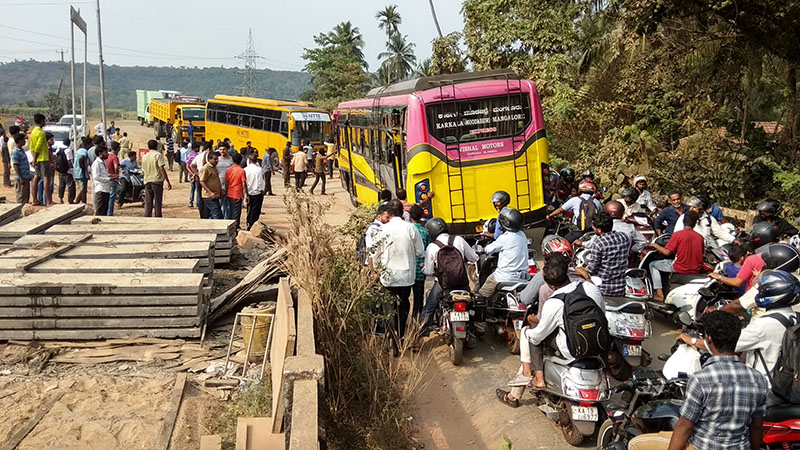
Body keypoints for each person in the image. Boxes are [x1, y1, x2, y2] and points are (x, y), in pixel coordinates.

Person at [627, 310, 767, 450]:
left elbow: (684, 427)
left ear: (709, 338)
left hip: (702, 446)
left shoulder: (701, 379)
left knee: (635, 444)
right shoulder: (758, 379)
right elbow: (756, 427)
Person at [500, 255, 605, 399]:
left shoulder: (554, 302)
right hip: (599, 341)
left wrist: (530, 322)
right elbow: (602, 314)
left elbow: (538, 335)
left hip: (571, 348)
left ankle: (537, 377)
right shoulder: (590, 288)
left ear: (551, 285)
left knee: (530, 334)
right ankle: (516, 393)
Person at [679, 270, 799, 385]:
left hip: (763, 388)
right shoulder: (794, 317)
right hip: (786, 384)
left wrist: (692, 340)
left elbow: (724, 347)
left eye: (761, 290)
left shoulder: (764, 325)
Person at [416, 217, 478, 346]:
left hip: (443, 285)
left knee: (429, 307)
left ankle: (419, 338)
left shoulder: (432, 247)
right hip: (462, 283)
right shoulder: (459, 240)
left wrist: (426, 269)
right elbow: (474, 257)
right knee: (472, 304)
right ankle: (475, 330)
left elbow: (428, 271)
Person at [373, 199, 425, 338]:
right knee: (403, 306)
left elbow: (375, 255)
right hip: (406, 276)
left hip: (388, 277)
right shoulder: (411, 228)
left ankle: (392, 337)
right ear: (402, 212)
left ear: (389, 213)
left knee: (389, 309)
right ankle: (401, 335)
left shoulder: (382, 229)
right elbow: (420, 252)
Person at [648, 210, 706, 300]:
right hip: (695, 269)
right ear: (695, 223)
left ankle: (659, 293)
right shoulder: (700, 237)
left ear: (683, 222)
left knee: (653, 265)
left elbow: (667, 252)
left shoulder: (678, 235)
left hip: (679, 267)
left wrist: (654, 245)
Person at [709, 222, 779, 292]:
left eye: (751, 239)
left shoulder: (752, 259)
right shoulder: (779, 253)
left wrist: (718, 276)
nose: (749, 241)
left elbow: (737, 282)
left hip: (753, 295)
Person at [574, 212, 631, 297]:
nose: (592, 228)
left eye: (593, 227)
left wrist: (579, 269)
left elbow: (591, 268)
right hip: (621, 288)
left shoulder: (599, 243)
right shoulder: (623, 237)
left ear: (599, 230)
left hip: (603, 289)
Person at [477, 208, 530, 298]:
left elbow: (488, 249)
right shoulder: (522, 235)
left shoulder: (505, 238)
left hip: (504, 277)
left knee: (481, 297)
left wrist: (479, 249)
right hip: (522, 278)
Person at [578, 200, 647, 253]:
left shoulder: (604, 226)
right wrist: (631, 250)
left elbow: (591, 244)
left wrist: (582, 243)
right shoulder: (630, 227)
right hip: (624, 262)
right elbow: (643, 241)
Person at [408, 205, 431, 320]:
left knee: (404, 298)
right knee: (418, 298)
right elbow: (428, 250)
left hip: (407, 271)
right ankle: (417, 321)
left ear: (410, 216)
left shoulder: (406, 230)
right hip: (420, 271)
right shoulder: (425, 232)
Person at [141, 139, 172, 217]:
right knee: (158, 202)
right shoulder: (158, 155)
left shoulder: (144, 156)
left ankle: (147, 217)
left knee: (148, 202)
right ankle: (158, 217)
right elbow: (162, 168)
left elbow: (143, 170)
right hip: (157, 180)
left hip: (147, 181)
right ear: (156, 146)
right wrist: (168, 181)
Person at [29, 113, 53, 206]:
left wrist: (34, 159)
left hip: (37, 158)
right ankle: (48, 201)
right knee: (46, 178)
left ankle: (35, 199)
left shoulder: (33, 132)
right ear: (42, 121)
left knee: (36, 177)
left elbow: (32, 147)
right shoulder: (41, 133)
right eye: (44, 120)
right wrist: (35, 159)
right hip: (43, 158)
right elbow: (38, 147)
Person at [91, 146, 116, 216]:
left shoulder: (103, 162)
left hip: (106, 189)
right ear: (100, 153)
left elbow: (104, 174)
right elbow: (96, 177)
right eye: (105, 152)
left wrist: (112, 176)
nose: (107, 154)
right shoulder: (96, 163)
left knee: (105, 210)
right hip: (101, 189)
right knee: (100, 211)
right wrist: (109, 179)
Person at [244, 149, 266, 230]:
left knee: (249, 209)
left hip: (249, 192)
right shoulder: (259, 169)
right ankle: (253, 224)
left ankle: (248, 223)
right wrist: (262, 189)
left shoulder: (245, 169)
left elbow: (244, 181)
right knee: (256, 210)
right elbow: (261, 181)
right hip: (257, 192)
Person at [225, 152, 247, 228]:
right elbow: (244, 183)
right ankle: (235, 226)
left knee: (230, 211)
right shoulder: (241, 171)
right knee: (236, 212)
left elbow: (226, 182)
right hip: (237, 194)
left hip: (229, 193)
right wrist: (246, 194)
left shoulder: (228, 170)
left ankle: (230, 225)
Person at [200, 152, 223, 219]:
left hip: (216, 194)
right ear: (209, 159)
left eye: (217, 159)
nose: (217, 161)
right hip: (209, 195)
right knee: (217, 213)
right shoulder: (205, 168)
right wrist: (210, 193)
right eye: (215, 159)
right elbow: (202, 181)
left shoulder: (214, 167)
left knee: (212, 214)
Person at [10, 133, 32, 205]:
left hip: (26, 177)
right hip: (21, 178)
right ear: (19, 141)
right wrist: (21, 178)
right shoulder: (15, 152)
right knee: (21, 197)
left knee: (26, 197)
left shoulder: (22, 150)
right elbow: (16, 165)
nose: (25, 141)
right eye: (23, 140)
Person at [216, 142, 234, 218]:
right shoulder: (217, 160)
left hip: (230, 186)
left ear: (227, 150)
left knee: (229, 205)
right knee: (221, 205)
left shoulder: (231, 160)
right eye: (220, 149)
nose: (222, 151)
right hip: (220, 186)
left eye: (224, 149)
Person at [55, 139, 75, 204]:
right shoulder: (68, 151)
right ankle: (70, 200)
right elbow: (69, 160)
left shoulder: (59, 150)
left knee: (61, 185)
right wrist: (71, 167)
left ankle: (61, 199)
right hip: (67, 171)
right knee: (70, 186)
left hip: (60, 171)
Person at [73, 137, 90, 204]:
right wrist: (82, 166)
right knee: (83, 190)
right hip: (81, 173)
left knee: (83, 190)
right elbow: (81, 158)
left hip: (77, 172)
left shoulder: (79, 150)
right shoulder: (84, 151)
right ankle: (83, 203)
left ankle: (77, 202)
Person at [106, 142, 121, 215]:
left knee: (107, 196)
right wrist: (117, 174)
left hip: (106, 177)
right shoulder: (115, 157)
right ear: (118, 149)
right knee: (112, 197)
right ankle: (110, 213)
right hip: (113, 178)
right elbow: (116, 167)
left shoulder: (107, 155)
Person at [186, 143, 200, 207]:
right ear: (196, 148)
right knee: (198, 189)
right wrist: (195, 174)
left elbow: (187, 166)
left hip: (191, 174)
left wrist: (191, 173)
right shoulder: (198, 156)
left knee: (192, 188)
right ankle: (197, 204)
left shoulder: (189, 156)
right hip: (197, 174)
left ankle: (191, 202)